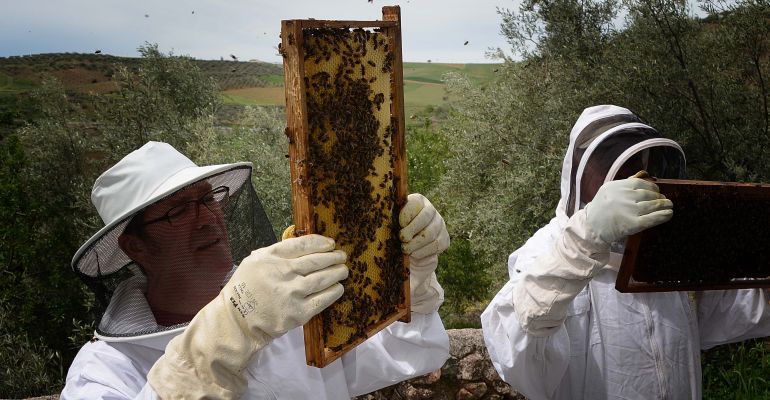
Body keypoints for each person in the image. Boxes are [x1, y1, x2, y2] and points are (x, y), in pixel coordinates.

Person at [61, 141, 450, 399]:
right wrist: (224, 335)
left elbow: (408, 350)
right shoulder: (104, 372)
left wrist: (407, 277)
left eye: (209, 199)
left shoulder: (283, 305)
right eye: (178, 211)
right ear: (136, 245)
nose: (207, 219)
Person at [481, 105, 770, 399]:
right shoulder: (548, 248)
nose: (631, 177)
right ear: (581, 174)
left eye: (637, 163)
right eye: (616, 165)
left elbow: (733, 312)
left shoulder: (662, 248)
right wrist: (585, 238)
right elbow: (515, 350)